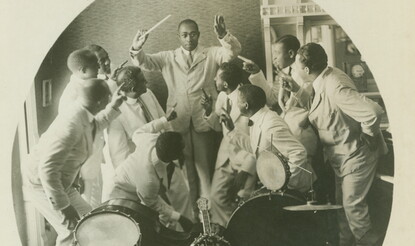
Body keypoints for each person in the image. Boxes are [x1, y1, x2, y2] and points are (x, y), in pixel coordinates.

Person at [284, 42, 387, 245]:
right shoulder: (322, 78)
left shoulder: (335, 86)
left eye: (296, 67)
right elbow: (320, 108)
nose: (294, 70)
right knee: (343, 211)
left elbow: (373, 112)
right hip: (341, 157)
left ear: (306, 70)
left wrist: (370, 134)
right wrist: (296, 90)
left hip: (356, 156)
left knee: (353, 209)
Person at [129, 16, 242, 201]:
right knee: (184, 168)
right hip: (177, 117)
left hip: (203, 117)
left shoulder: (211, 53)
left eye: (193, 34)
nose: (189, 39)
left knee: (204, 167)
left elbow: (233, 52)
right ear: (178, 37)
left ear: (198, 35)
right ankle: (192, 212)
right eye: (185, 35)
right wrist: (137, 47)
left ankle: (208, 210)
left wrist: (224, 36)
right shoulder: (168, 57)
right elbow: (143, 62)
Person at [23, 79, 125, 246]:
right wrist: (64, 206)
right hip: (41, 184)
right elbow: (47, 170)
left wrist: (113, 106)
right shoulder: (71, 125)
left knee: (90, 220)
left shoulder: (83, 112)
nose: (110, 97)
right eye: (108, 96)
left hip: (61, 182)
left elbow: (95, 127)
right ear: (99, 101)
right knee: (72, 232)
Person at [221, 84, 315, 193]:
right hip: (280, 187)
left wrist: (284, 183)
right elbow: (254, 147)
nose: (236, 104)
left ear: (246, 105)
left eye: (238, 101)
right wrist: (232, 130)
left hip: (298, 189)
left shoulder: (270, 124)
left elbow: (298, 152)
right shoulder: (259, 118)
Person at [201, 62, 256, 227]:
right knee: (216, 198)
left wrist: (245, 170)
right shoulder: (222, 97)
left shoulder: (250, 98)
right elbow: (219, 127)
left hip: (246, 158)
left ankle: (243, 236)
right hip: (226, 157)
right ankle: (230, 236)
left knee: (243, 202)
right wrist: (209, 111)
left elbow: (259, 141)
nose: (214, 79)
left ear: (225, 83)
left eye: (217, 77)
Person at [109, 127, 194, 232]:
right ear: (174, 155)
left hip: (138, 188)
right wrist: (180, 218)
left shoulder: (150, 140)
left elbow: (137, 132)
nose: (183, 151)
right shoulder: (149, 180)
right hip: (120, 194)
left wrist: (163, 120)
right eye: (181, 149)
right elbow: (153, 204)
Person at [108, 66, 174, 169]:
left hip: (166, 157)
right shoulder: (115, 113)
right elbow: (119, 156)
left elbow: (165, 120)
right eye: (143, 81)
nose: (146, 82)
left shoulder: (148, 93)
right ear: (133, 89)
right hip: (143, 167)